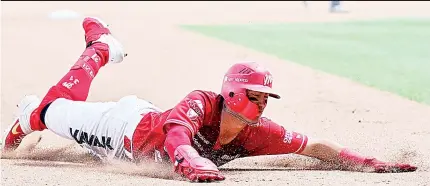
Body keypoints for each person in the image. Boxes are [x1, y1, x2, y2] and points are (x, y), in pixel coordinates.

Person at [2, 17, 417, 182]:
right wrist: (193, 162)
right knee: (47, 110)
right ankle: (101, 50)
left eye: (266, 99)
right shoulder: (203, 101)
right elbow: (177, 133)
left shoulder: (257, 131)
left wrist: (365, 161)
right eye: (256, 97)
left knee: (47, 115)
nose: (263, 106)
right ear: (233, 93)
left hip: (124, 145)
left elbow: (312, 146)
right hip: (122, 127)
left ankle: (94, 56)